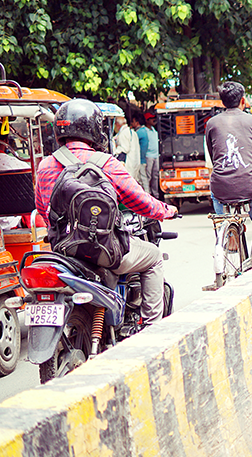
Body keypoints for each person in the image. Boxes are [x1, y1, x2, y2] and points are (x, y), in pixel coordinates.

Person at [34, 99, 178, 326]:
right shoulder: (106, 163)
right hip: (102, 251)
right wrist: (166, 211)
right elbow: (140, 202)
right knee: (153, 257)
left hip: (64, 252)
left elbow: (44, 212)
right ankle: (153, 328)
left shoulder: (45, 166)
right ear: (94, 129)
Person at [205, 81, 252, 266]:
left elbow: (214, 157)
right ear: (243, 101)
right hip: (250, 186)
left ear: (222, 102)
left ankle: (224, 229)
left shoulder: (212, 123)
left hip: (220, 187)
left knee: (219, 208)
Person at [112, 115, 141, 183]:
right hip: (135, 162)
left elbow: (125, 149)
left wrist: (115, 151)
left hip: (129, 163)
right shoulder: (131, 132)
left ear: (117, 124)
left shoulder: (124, 133)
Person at [141, 111, 160, 196]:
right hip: (148, 156)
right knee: (148, 176)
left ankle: (155, 194)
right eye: (151, 119)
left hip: (156, 155)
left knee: (155, 176)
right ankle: (148, 194)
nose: (154, 120)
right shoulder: (144, 131)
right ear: (147, 120)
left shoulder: (154, 130)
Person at [130, 111, 149, 188]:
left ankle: (147, 193)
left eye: (133, 121)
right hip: (143, 158)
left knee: (143, 178)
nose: (131, 123)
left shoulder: (139, 132)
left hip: (140, 159)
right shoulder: (144, 130)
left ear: (137, 122)